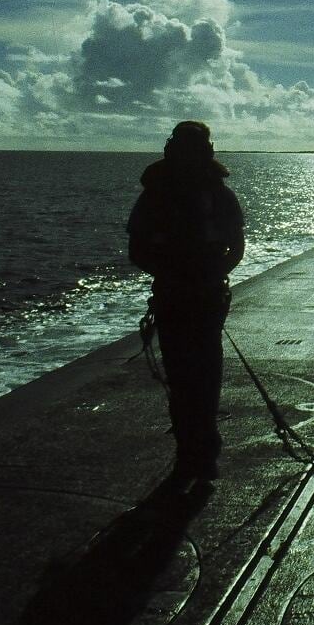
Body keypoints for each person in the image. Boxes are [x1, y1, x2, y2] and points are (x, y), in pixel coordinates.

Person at [127, 120, 245, 482]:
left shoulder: (158, 191)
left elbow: (137, 251)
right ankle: (200, 451)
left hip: (183, 294)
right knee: (201, 375)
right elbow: (236, 249)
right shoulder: (213, 192)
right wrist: (203, 275)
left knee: (184, 377)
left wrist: (177, 275)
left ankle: (192, 451)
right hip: (194, 294)